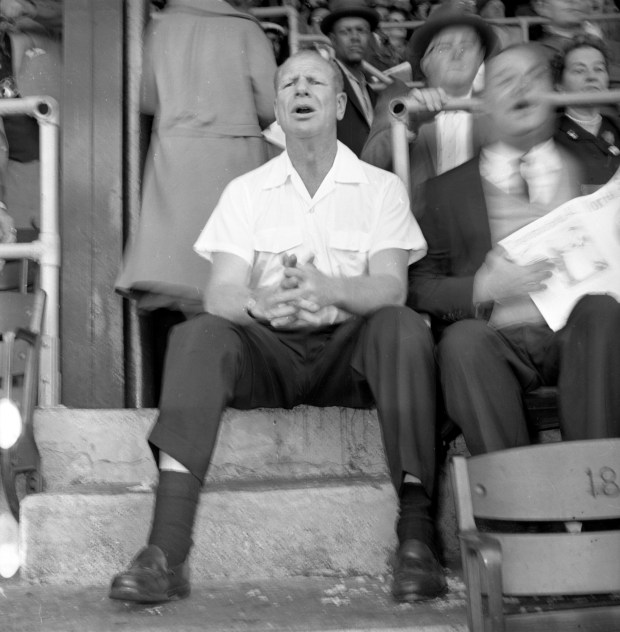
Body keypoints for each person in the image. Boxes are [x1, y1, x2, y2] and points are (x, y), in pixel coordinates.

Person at [109, 50, 446, 605]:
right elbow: (221, 294)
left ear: (338, 103)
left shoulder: (381, 188)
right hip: (271, 353)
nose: (300, 89)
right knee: (197, 335)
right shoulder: (247, 191)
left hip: (350, 353)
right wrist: (265, 304)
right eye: (288, 83)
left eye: (314, 81)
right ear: (279, 107)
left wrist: (329, 290)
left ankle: (416, 542)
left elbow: (391, 287)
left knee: (402, 326)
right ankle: (165, 552)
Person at [408, 42, 620, 456]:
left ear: (552, 92)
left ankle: (599, 488)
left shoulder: (601, 171)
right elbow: (418, 285)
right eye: (505, 81)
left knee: (602, 311)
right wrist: (482, 287)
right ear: (484, 103)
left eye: (534, 77)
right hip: (495, 338)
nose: (522, 88)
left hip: (579, 335)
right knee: (462, 341)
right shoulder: (445, 191)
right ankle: (518, 506)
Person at [114, 0, 277, 398]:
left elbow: (146, 98)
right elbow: (271, 106)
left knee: (182, 284)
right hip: (232, 161)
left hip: (176, 157)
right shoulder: (246, 29)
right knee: (233, 284)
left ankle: (183, 397)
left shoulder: (162, 25)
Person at [361, 7, 497, 215]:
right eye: (444, 47)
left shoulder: (496, 109)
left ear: (480, 58)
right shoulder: (402, 103)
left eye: (466, 46)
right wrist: (409, 124)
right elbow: (369, 167)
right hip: (421, 232)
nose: (456, 54)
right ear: (426, 63)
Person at [553, 35, 620, 187]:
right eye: (579, 70)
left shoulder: (616, 126)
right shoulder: (548, 134)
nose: (591, 77)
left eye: (599, 69)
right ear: (559, 85)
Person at [320, 0, 380, 156]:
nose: (355, 37)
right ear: (332, 40)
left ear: (370, 37)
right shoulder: (323, 82)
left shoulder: (369, 87)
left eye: (361, 30)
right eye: (345, 31)